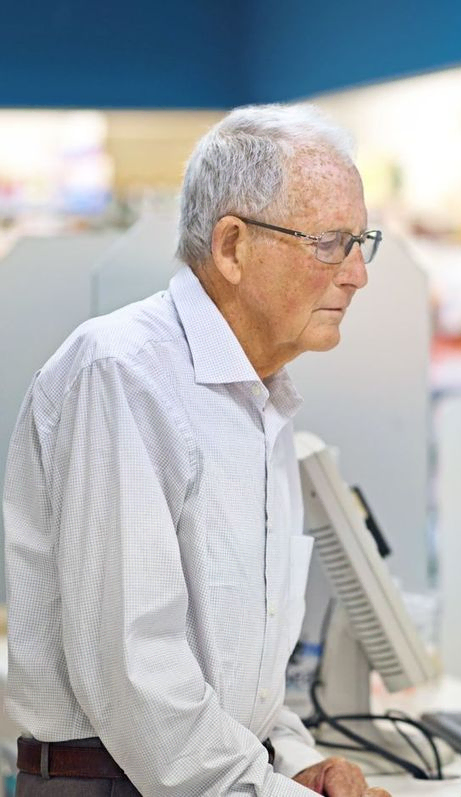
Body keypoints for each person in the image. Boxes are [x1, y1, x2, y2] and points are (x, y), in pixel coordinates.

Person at [4, 104, 390, 796]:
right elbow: (133, 676)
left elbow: (239, 672)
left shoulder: (260, 400)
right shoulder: (123, 373)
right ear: (232, 246)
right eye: (331, 242)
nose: (357, 273)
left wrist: (295, 757)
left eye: (362, 241)